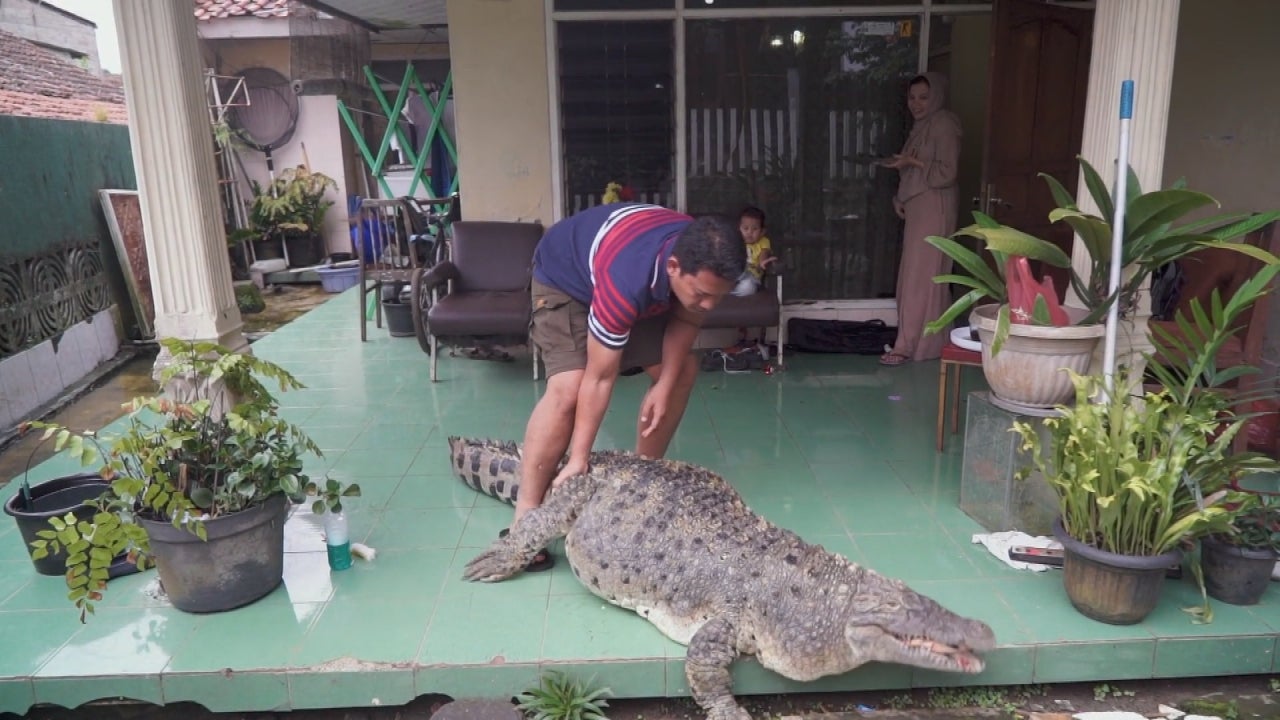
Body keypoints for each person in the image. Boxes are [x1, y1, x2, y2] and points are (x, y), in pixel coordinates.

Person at [509, 202, 746, 571]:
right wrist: (578, 459)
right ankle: (524, 515)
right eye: (702, 293)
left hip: (624, 273)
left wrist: (665, 385)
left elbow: (686, 320)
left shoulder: (701, 265)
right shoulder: (626, 281)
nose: (709, 305)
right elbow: (600, 377)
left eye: (718, 296)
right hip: (565, 278)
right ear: (673, 267)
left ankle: (642, 483)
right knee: (569, 387)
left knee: (681, 370)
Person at [878, 71, 962, 366]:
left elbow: (945, 172)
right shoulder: (921, 126)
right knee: (913, 276)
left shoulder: (945, 124)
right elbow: (913, 171)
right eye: (912, 98)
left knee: (923, 278)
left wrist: (912, 161)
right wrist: (899, 198)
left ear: (936, 96)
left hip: (935, 206)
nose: (917, 104)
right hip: (918, 206)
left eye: (923, 97)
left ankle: (912, 345)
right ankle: (918, 342)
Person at [731, 206, 776, 297]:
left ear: (762, 231)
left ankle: (730, 293)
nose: (749, 232)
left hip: (751, 275)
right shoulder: (736, 240)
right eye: (745, 228)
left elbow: (763, 255)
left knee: (748, 287)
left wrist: (763, 263)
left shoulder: (763, 242)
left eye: (755, 229)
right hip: (735, 272)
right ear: (739, 229)